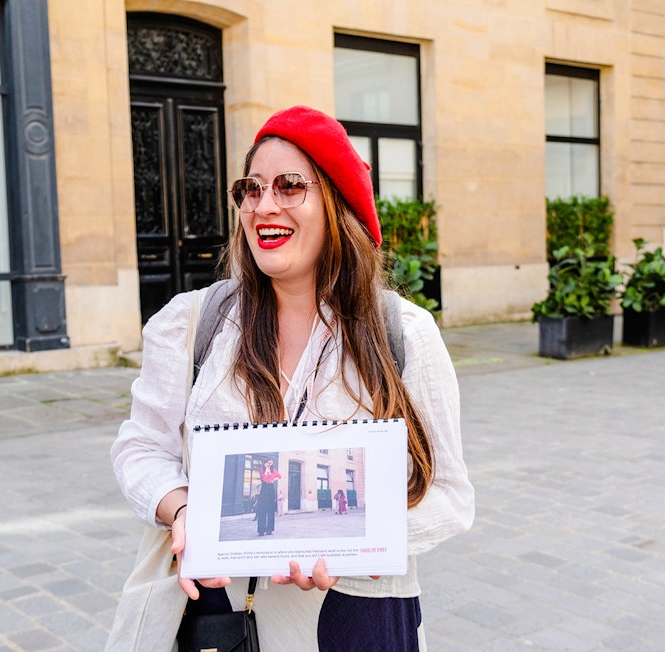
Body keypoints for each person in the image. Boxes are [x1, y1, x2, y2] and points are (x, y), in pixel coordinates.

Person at [111, 105, 474, 651]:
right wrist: (183, 508)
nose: (264, 206)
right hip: (217, 613)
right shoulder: (190, 323)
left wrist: (344, 541)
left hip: (355, 618)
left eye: (289, 186)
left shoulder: (405, 333)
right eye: (251, 189)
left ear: (335, 204)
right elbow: (140, 448)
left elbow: (449, 494)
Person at [257, 459, 281, 536]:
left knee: (271, 509)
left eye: (271, 462)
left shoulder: (273, 470)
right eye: (268, 462)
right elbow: (264, 477)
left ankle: (269, 529)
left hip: (271, 488)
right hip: (264, 487)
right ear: (265, 462)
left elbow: (279, 476)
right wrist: (266, 468)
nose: (270, 463)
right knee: (262, 509)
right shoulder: (262, 469)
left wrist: (273, 479)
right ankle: (261, 530)